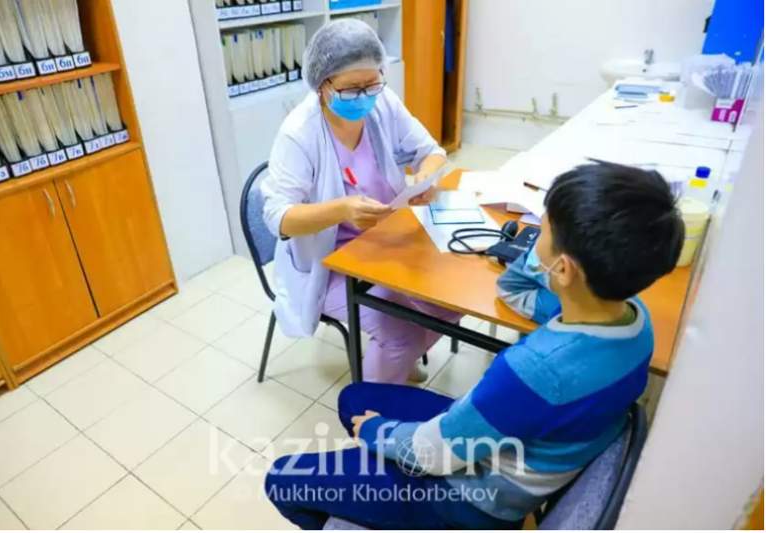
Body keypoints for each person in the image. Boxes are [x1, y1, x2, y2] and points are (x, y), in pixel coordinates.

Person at [264, 161, 685, 529]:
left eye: (543, 228)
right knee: (354, 398)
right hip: (518, 456)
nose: (534, 230)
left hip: (471, 500)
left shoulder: (534, 370)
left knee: (283, 479)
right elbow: (515, 291)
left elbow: (431, 455)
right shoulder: (635, 321)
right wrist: (543, 256)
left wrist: (378, 432)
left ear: (564, 269)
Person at [261, 19, 460, 384]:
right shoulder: (299, 134)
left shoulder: (382, 103)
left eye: (372, 83)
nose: (365, 96)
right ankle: (373, 408)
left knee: (450, 299)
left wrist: (423, 179)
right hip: (330, 264)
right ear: (322, 84)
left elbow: (430, 151)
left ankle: (400, 361)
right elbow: (278, 217)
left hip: (386, 240)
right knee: (401, 334)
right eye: (352, 88)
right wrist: (343, 209)